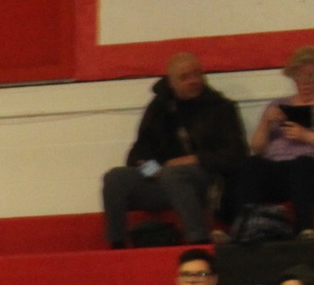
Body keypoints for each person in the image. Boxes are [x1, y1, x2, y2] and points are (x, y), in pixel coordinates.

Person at [101, 52, 247, 248]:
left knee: (175, 174)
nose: (193, 81)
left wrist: (192, 159)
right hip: (165, 181)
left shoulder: (222, 107)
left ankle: (199, 239)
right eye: (185, 77)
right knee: (115, 177)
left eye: (197, 74)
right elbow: (137, 155)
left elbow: (237, 155)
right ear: (171, 82)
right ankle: (117, 244)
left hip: (208, 181)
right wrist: (154, 171)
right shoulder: (159, 108)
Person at [237, 45, 314, 238]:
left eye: (311, 77)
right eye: (300, 77)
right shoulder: (278, 104)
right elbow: (257, 148)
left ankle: (304, 227)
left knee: (301, 165)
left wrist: (306, 136)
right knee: (250, 165)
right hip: (277, 168)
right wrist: (266, 121)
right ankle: (247, 225)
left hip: (308, 168)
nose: (306, 83)